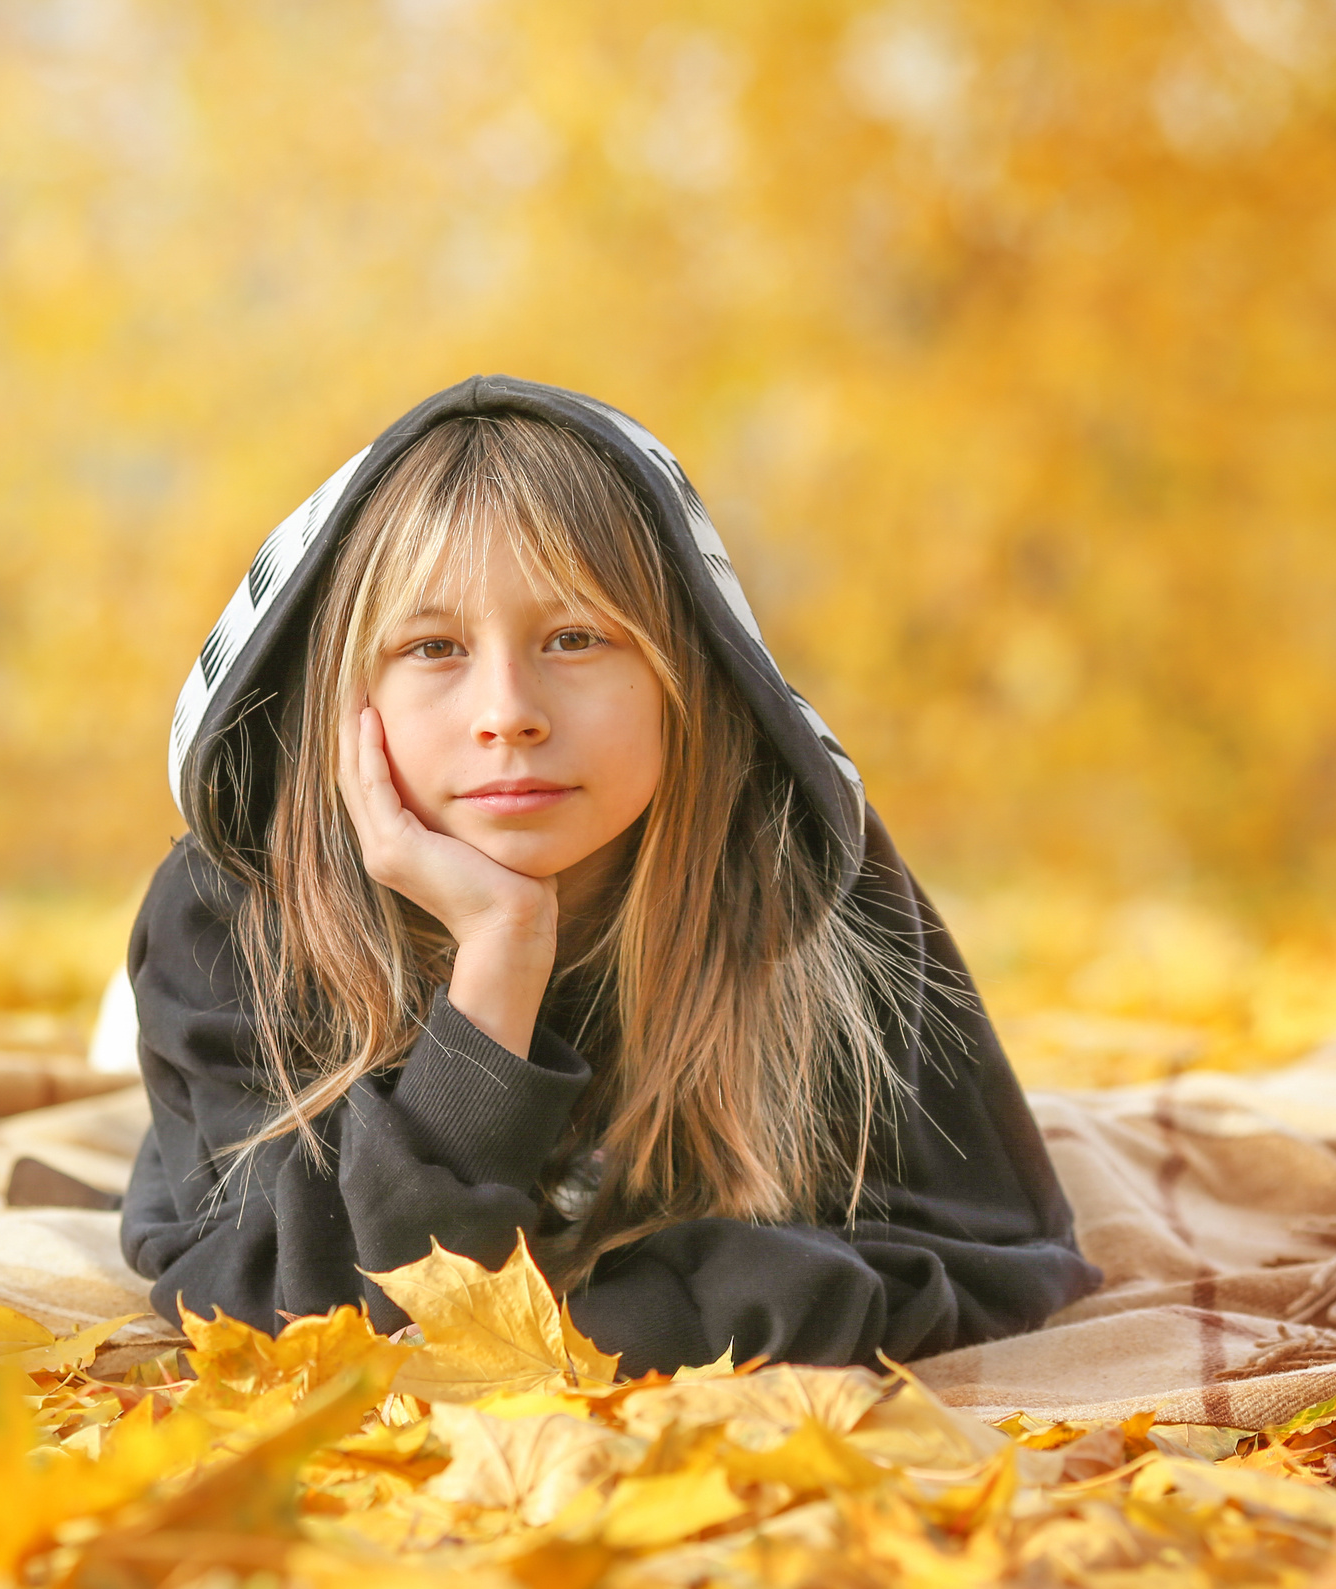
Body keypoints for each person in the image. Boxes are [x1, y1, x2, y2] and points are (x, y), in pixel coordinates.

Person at [119, 375, 1099, 1374]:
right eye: (432, 647)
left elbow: (993, 1246)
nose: (508, 712)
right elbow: (329, 1318)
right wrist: (500, 955)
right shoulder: (227, 916)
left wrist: (621, 1325)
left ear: (692, 674)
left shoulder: (800, 883)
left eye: (576, 638)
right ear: (342, 698)